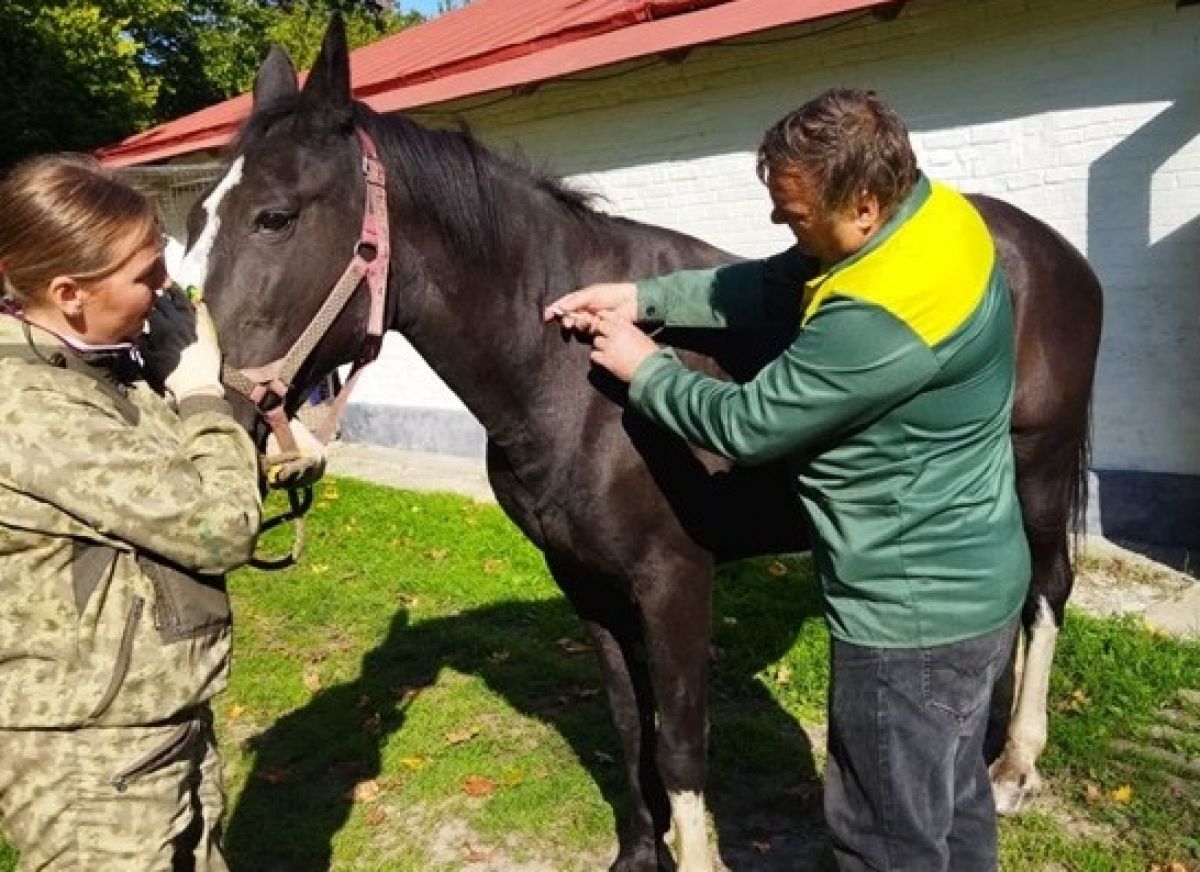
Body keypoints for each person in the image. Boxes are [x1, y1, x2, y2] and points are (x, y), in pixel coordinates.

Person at [545, 88, 1030, 872]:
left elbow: (747, 425)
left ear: (865, 206)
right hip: (981, 584)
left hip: (910, 623)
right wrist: (644, 296)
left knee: (886, 841)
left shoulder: (875, 316)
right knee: (954, 806)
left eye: (795, 212)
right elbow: (778, 283)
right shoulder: (938, 217)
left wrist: (646, 368)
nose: (780, 223)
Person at [0, 154, 261, 871]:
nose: (167, 290)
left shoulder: (95, 369)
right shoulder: (27, 407)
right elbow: (219, 525)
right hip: (91, 759)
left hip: (151, 722)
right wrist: (203, 392)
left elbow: (172, 471)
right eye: (147, 275)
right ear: (69, 293)